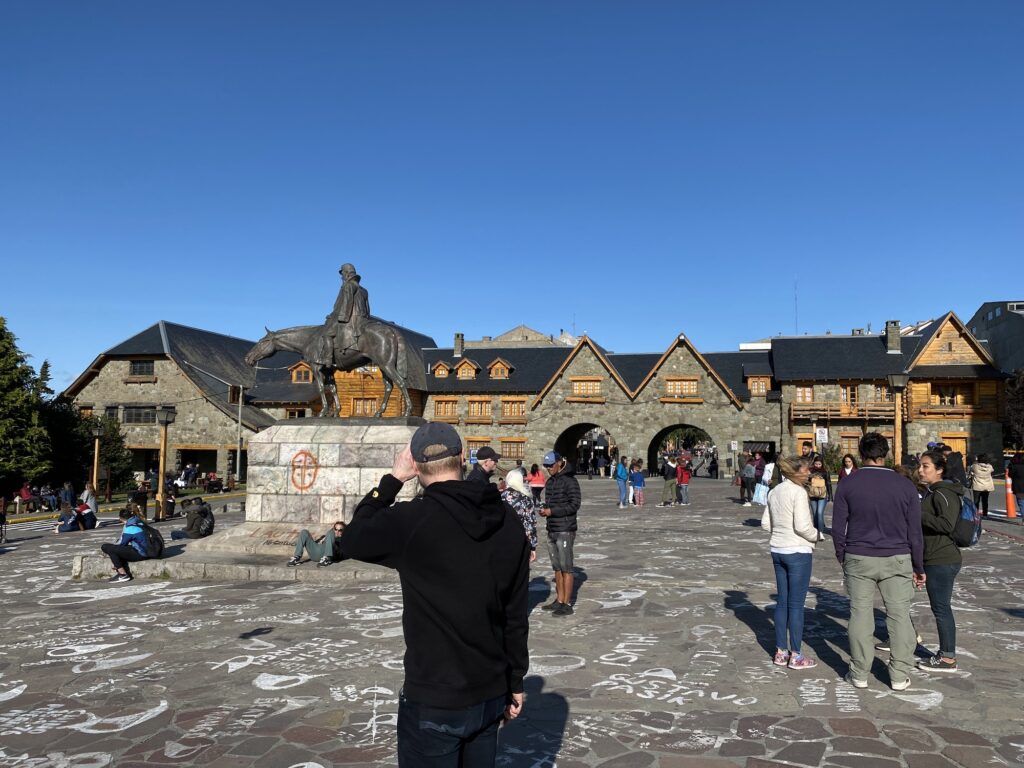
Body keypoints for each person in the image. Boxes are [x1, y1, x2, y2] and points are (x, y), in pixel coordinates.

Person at [339, 421, 529, 767]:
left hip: (434, 695)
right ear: (461, 458)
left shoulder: (411, 520)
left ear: (415, 463)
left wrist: (393, 480)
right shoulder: (508, 520)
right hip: (490, 689)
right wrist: (515, 679)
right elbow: (515, 615)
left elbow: (351, 538)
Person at [831, 432, 925, 691]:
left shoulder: (849, 484)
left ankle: (860, 672)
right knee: (899, 615)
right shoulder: (905, 485)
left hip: (859, 555)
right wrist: (919, 565)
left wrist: (842, 554)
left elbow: (838, 527)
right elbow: (914, 531)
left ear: (861, 454)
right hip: (897, 556)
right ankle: (898, 674)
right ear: (885, 454)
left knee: (859, 614)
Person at [761, 457, 818, 669]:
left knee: (782, 602)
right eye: (806, 470)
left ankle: (780, 651)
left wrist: (781, 531)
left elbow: (766, 523)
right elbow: (803, 526)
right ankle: (796, 655)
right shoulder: (798, 492)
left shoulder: (774, 491)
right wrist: (817, 535)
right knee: (796, 605)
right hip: (798, 550)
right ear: (796, 472)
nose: (809, 473)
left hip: (777, 549)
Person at [917, 449, 965, 672]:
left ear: (939, 470)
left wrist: (918, 514)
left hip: (942, 558)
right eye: (920, 465)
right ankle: (945, 654)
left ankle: (947, 658)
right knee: (940, 607)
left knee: (941, 608)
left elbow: (947, 524)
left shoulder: (942, 493)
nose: (920, 470)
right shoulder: (933, 492)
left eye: (925, 466)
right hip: (934, 557)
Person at [539, 450, 581, 617]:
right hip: (552, 528)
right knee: (557, 567)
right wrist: (544, 509)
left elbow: (575, 504)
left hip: (565, 528)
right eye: (546, 466)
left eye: (551, 465)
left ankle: (567, 603)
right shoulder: (550, 482)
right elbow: (551, 502)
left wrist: (552, 511)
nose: (548, 468)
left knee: (566, 567)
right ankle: (559, 599)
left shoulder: (570, 481)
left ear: (559, 463)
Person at [100, 506, 150, 582]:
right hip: (148, 550)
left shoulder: (130, 528)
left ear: (121, 518)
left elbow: (122, 544)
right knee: (116, 550)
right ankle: (121, 572)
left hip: (141, 553)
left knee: (108, 548)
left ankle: (123, 574)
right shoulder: (139, 522)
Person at [501, 470, 538, 563]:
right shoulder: (526, 498)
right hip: (521, 539)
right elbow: (531, 523)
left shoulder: (500, 497)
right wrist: (532, 546)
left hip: (503, 538)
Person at [807, 457, 833, 542]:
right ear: (814, 463)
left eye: (819, 464)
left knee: (819, 513)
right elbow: (807, 483)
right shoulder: (810, 471)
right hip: (812, 495)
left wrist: (830, 496)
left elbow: (828, 483)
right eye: (816, 464)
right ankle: (816, 532)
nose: (817, 465)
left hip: (822, 495)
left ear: (822, 464)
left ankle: (821, 532)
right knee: (814, 514)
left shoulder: (825, 472)